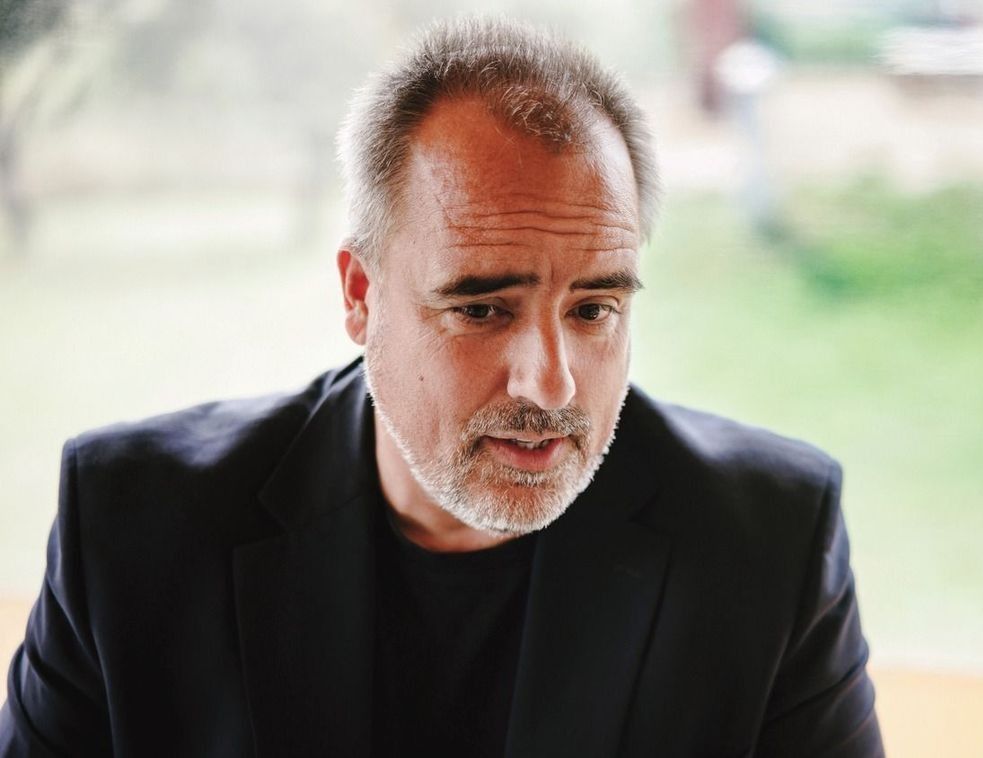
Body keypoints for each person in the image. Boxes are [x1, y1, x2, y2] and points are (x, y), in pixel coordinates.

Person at [0, 18, 883, 757]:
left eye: (593, 309)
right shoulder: (132, 527)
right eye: (482, 308)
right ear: (360, 295)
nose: (549, 384)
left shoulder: (767, 540)